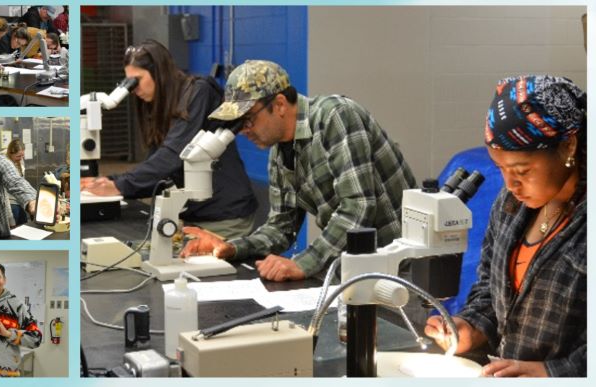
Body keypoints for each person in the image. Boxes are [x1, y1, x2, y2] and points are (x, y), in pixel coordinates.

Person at [180, 60, 416, 282]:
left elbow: (359, 206)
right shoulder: (279, 153)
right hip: (357, 267)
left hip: (402, 269)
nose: (244, 131)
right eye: (239, 124)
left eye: (248, 119)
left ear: (280, 104)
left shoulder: (335, 116)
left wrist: (304, 263)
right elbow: (280, 228)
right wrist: (230, 247)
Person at [424, 75, 586, 377]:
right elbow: (488, 287)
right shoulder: (511, 205)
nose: (511, 184)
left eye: (522, 170)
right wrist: (470, 327)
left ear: (568, 147)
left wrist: (554, 373)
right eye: (501, 169)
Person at [81, 40, 257, 240]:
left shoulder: (199, 91)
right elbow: (157, 165)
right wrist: (111, 181)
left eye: (136, 80)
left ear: (159, 73)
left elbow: (172, 157)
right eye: (128, 82)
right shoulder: (163, 104)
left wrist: (121, 186)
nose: (134, 89)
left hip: (223, 216)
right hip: (192, 215)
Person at [4, 139, 28, 226]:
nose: (21, 158)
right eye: (18, 156)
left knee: (24, 227)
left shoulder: (20, 161)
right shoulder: (4, 164)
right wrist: (10, 216)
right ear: (11, 153)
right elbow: (4, 192)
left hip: (20, 202)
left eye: (22, 156)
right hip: (11, 204)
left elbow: (22, 183)